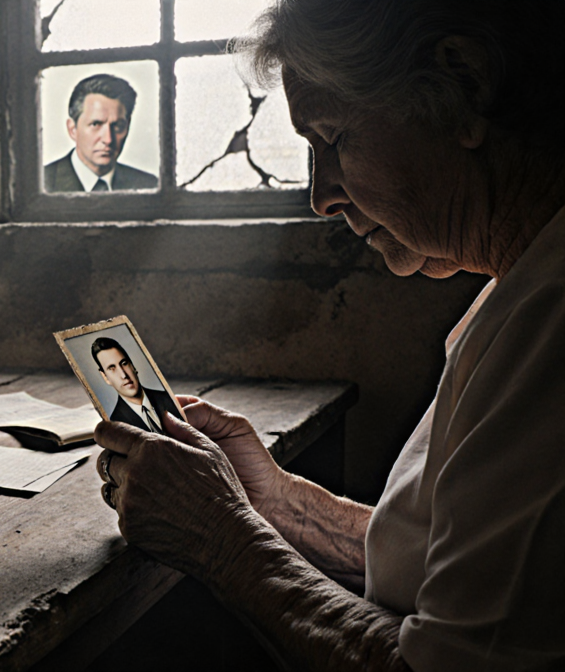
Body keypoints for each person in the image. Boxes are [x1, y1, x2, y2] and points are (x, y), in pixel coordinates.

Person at [92, 0, 565, 670]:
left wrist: (224, 539)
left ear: (462, 84)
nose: (322, 195)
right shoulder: (521, 285)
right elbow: (473, 567)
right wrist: (281, 503)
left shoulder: (553, 332)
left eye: (334, 139)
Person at [44, 74, 158, 193]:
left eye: (117, 126)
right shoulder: (41, 185)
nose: (108, 139)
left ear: (127, 127)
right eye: (95, 124)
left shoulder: (149, 186)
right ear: (73, 129)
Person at [90, 337, 180, 433]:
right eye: (112, 368)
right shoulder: (116, 424)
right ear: (105, 377)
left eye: (124, 363)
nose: (124, 375)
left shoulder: (167, 398)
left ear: (133, 366)